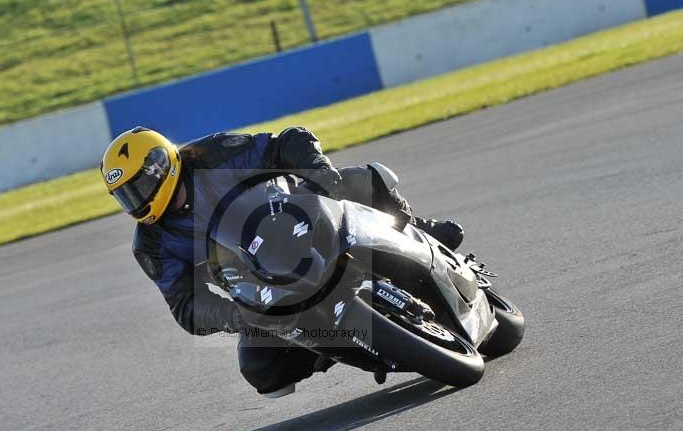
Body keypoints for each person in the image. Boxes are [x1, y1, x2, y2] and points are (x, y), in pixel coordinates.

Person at [100, 126, 463, 397]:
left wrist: (319, 173)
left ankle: (417, 228)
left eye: (137, 187)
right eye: (124, 196)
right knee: (262, 372)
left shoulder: (215, 155)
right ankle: (325, 349)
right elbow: (185, 305)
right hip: (258, 287)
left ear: (157, 168)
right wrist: (233, 316)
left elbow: (288, 141)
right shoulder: (151, 244)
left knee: (361, 180)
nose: (135, 201)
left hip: (295, 219)